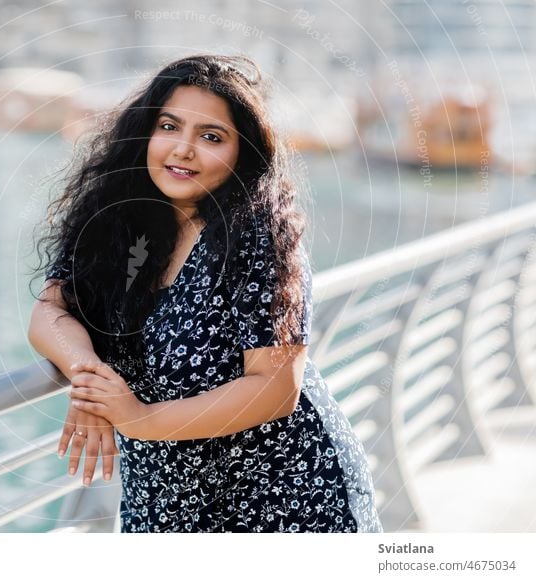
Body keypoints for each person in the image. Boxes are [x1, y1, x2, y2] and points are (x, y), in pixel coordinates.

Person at [28, 54, 382, 533]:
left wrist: (138, 420)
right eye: (169, 126)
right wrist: (91, 381)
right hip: (164, 502)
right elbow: (51, 311)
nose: (184, 149)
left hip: (283, 497)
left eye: (211, 137)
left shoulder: (257, 233)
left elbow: (275, 387)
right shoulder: (117, 222)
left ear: (243, 154)